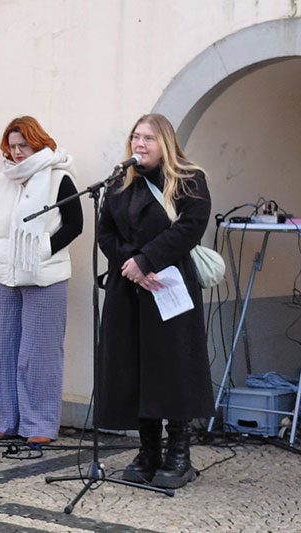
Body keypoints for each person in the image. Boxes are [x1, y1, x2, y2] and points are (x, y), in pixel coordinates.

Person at [97, 113, 214, 489]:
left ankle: (179, 451)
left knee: (172, 366)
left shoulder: (189, 180)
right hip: (128, 288)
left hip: (169, 287)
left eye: (148, 138)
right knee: (133, 366)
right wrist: (131, 265)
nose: (140, 144)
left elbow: (190, 227)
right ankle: (148, 449)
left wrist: (147, 261)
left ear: (165, 142)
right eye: (135, 137)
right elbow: (105, 231)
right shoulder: (118, 181)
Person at [0, 116, 83, 445]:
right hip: (7, 274)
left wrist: (41, 251)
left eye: (22, 146)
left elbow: (74, 224)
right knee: (5, 350)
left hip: (45, 275)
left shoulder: (58, 176)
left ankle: (40, 425)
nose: (16, 153)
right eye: (11, 146)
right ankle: (10, 420)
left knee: (39, 354)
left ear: (37, 142)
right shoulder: (4, 179)